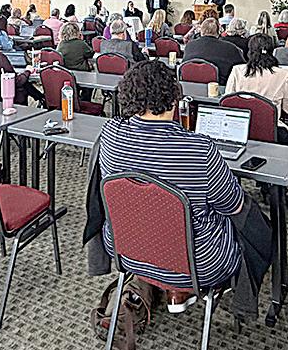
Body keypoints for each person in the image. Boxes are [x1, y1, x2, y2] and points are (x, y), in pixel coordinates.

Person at [98, 60, 244, 308]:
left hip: (127, 252)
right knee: (246, 222)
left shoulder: (110, 134)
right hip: (198, 265)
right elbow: (234, 205)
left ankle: (164, 285)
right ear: (175, 98)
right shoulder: (200, 151)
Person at [226, 34, 288, 144]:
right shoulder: (282, 74)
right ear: (272, 51)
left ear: (249, 51)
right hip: (270, 130)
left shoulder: (237, 70)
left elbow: (227, 102)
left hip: (239, 129)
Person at [182, 18, 245, 85]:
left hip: (187, 85)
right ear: (219, 32)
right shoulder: (230, 48)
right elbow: (243, 68)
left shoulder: (189, 46)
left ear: (201, 31)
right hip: (220, 87)